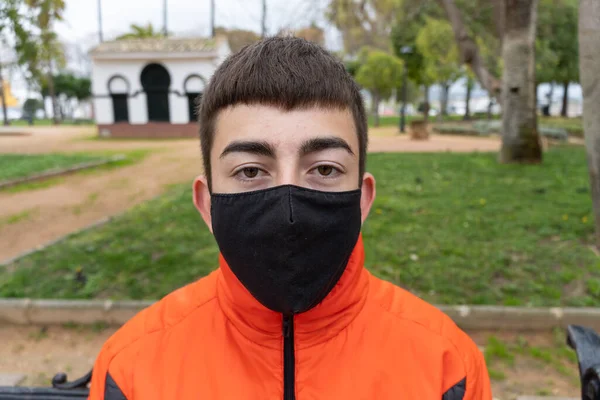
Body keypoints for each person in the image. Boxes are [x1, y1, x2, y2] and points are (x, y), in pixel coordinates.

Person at [89, 36, 492, 400]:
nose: (289, 209)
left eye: (325, 169)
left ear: (362, 200)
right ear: (207, 203)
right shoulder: (129, 372)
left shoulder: (448, 370)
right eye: (250, 171)